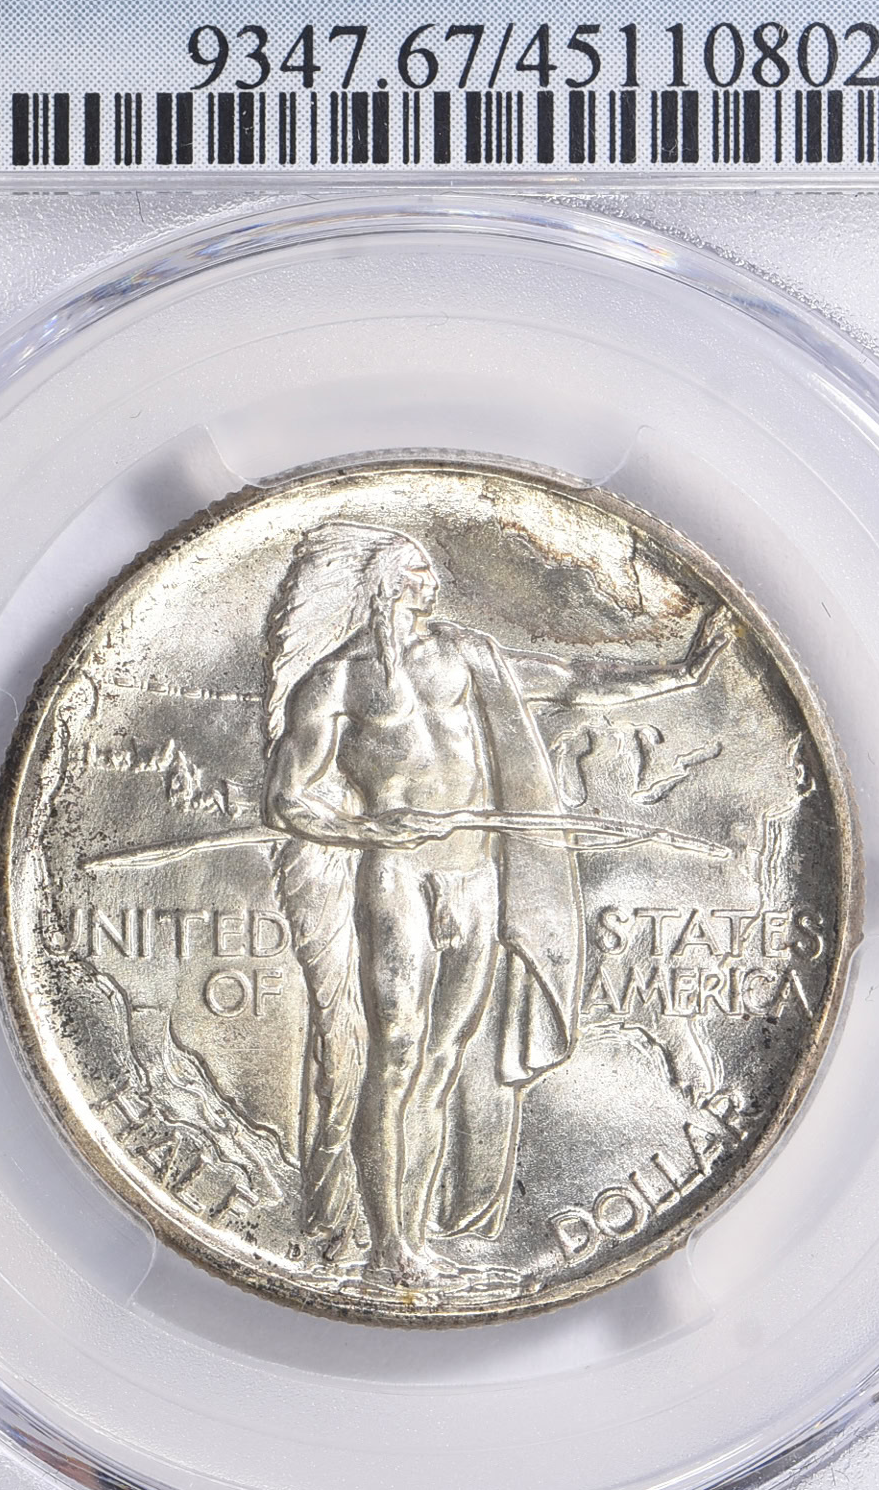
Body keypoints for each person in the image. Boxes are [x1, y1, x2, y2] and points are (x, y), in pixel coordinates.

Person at [262, 522, 724, 1286]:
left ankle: (414, 1242)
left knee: (442, 1061)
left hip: (476, 874)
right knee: (397, 1052)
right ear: (382, 583)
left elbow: (567, 679)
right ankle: (387, 1246)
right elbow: (287, 798)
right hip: (397, 874)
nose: (430, 582)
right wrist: (368, 828)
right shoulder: (336, 681)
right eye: (415, 571)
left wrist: (673, 672)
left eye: (427, 571)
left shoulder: (468, 656)